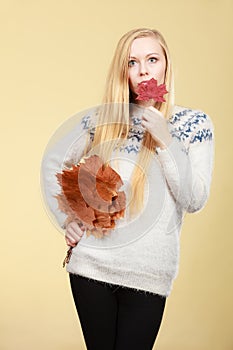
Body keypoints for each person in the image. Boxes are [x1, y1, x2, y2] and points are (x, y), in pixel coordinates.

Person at [41, 28, 214, 350]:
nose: (144, 70)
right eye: (132, 62)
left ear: (166, 65)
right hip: (92, 266)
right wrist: (69, 218)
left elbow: (195, 199)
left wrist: (165, 140)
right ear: (123, 71)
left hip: (149, 274)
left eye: (152, 59)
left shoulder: (194, 123)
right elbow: (55, 163)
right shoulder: (102, 119)